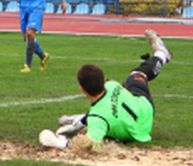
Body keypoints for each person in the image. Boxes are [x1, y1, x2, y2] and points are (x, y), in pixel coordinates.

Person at [38, 30, 172, 150]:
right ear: (104, 81)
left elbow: (87, 144)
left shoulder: (98, 117)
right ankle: (161, 54)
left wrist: (58, 143)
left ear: (82, 90)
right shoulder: (112, 85)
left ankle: (79, 120)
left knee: (92, 130)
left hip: (137, 131)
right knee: (138, 74)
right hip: (145, 108)